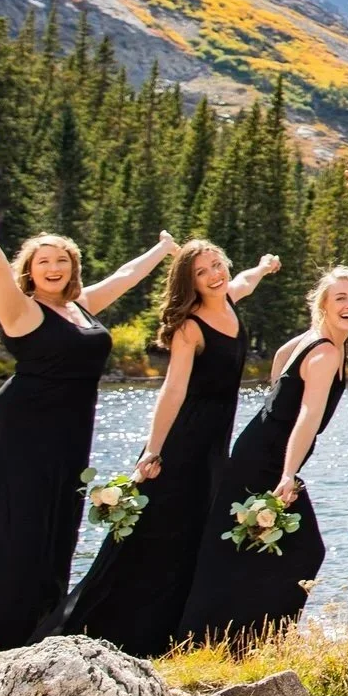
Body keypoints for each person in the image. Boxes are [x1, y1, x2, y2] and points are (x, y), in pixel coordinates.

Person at [0, 180, 175, 652]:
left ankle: (39, 618)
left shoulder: (80, 309)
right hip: (23, 430)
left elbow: (125, 277)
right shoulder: (21, 309)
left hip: (70, 433)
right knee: (18, 520)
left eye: (61, 260)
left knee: (57, 520)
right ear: (29, 269)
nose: (53, 267)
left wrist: (162, 249)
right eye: (43, 261)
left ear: (73, 268)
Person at [46, 238, 276, 654]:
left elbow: (245, 281)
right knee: (156, 533)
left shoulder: (229, 299)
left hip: (213, 443)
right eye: (202, 272)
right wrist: (152, 452)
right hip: (182, 442)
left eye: (216, 265)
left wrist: (262, 266)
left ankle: (178, 629)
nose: (214, 275)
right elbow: (173, 390)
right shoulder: (190, 327)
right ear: (190, 282)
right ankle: (109, 629)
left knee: (194, 532)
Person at [177, 267, 348, 647]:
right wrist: (288, 473)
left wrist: (277, 404)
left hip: (258, 448)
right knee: (303, 550)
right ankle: (251, 638)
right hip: (268, 460)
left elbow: (280, 365)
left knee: (252, 547)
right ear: (323, 304)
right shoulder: (326, 351)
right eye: (340, 298)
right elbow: (306, 417)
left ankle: (229, 638)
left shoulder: (311, 339)